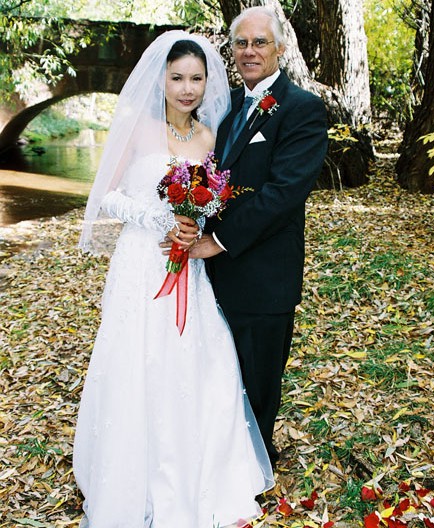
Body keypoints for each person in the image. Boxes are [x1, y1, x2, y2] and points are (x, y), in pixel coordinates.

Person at [73, 31, 273, 528]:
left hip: (188, 265)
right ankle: (127, 476)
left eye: (196, 79)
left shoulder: (210, 137)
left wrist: (195, 223)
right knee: (137, 357)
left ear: (208, 83)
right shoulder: (137, 128)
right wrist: (156, 219)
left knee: (195, 360)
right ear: (161, 78)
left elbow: (214, 201)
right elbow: (106, 197)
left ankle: (199, 476)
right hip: (142, 263)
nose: (187, 88)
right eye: (178, 77)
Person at [189, 7, 329, 465]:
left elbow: (283, 194)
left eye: (260, 43)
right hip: (210, 273)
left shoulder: (302, 109)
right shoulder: (224, 105)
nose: (249, 52)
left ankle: (256, 466)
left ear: (280, 49)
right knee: (217, 373)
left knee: (260, 376)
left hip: (265, 273)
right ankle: (219, 459)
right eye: (241, 44)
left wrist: (220, 240)